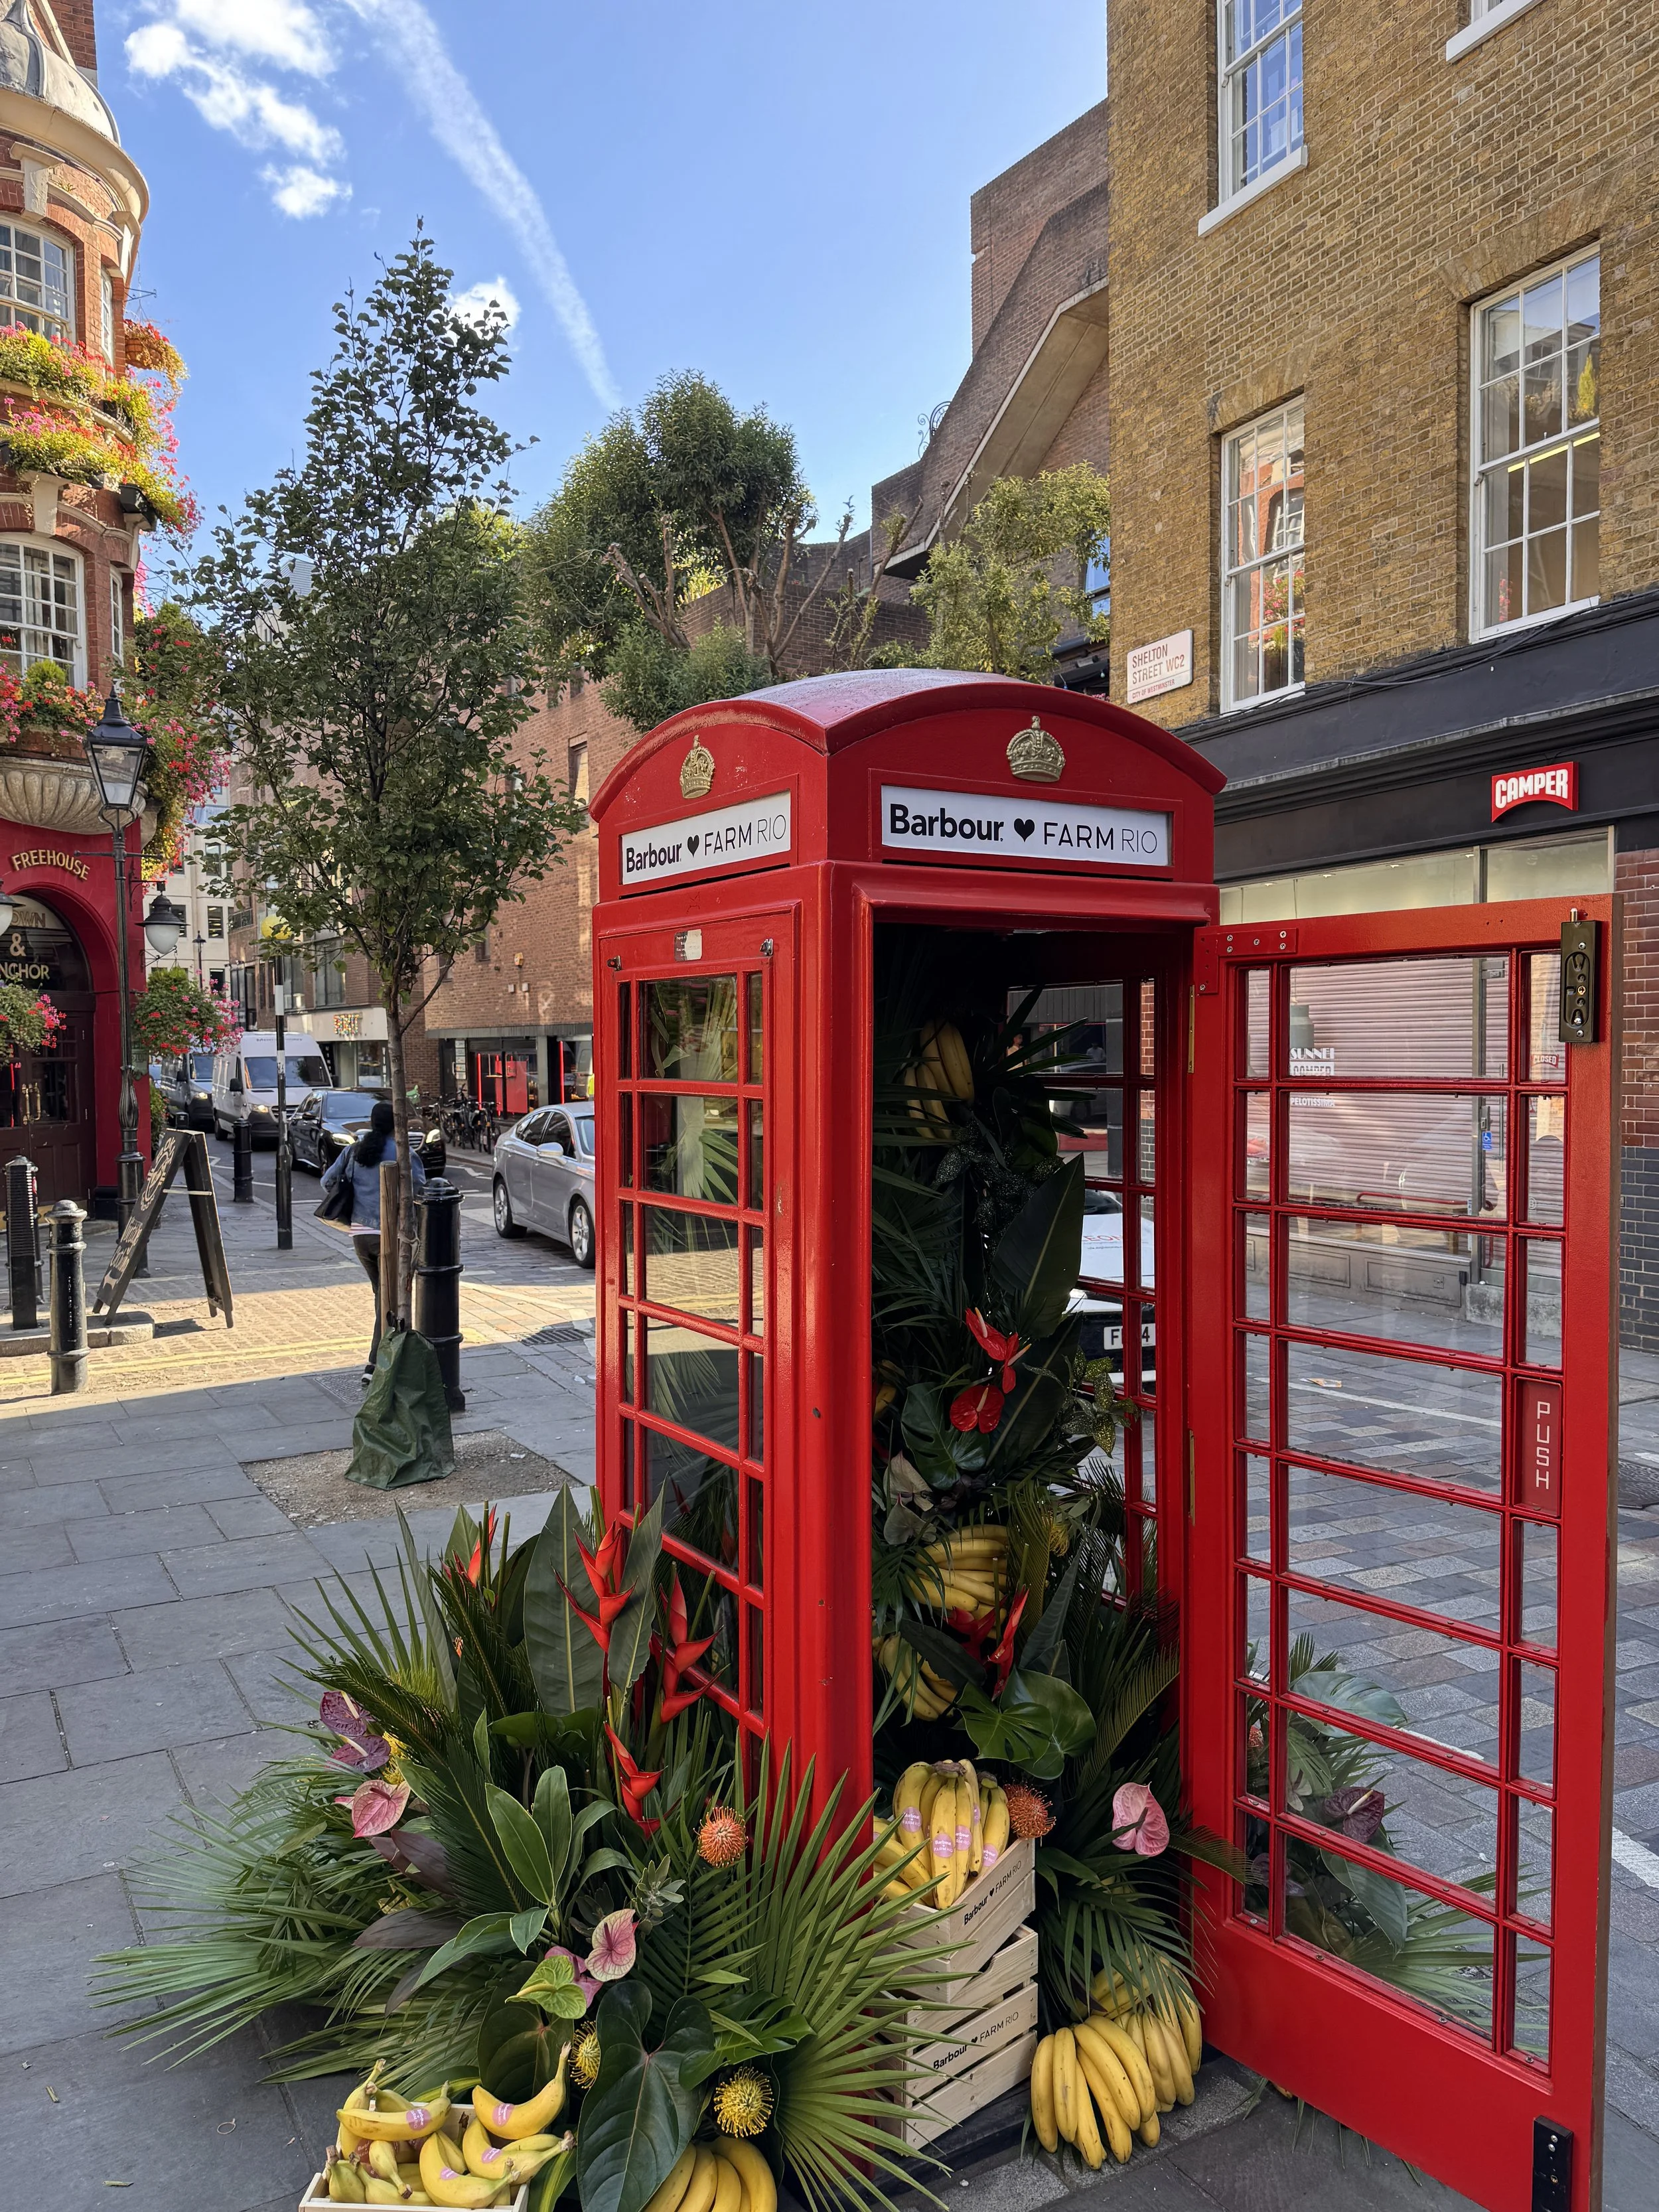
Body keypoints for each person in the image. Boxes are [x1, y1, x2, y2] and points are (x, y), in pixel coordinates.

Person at [320, 1099, 425, 1382]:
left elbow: (327, 1182)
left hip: (360, 1236)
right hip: (388, 1236)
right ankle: (376, 1364)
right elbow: (421, 1190)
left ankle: (386, 1358)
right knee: (388, 1301)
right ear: (396, 1124)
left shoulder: (354, 1150)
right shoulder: (403, 1153)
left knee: (383, 1296)